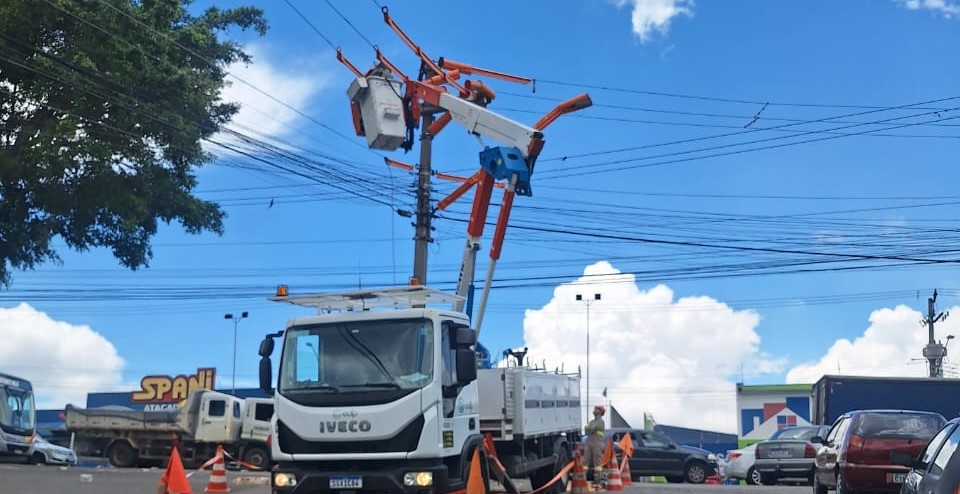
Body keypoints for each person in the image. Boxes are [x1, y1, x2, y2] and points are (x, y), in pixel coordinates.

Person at [583, 405, 606, 481]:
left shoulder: (601, 422)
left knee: (597, 463)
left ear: (600, 412)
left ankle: (597, 479)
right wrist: (589, 428)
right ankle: (583, 479)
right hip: (589, 443)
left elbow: (591, 429)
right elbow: (586, 430)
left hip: (597, 444)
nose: (594, 410)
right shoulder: (592, 422)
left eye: (596, 409)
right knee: (585, 462)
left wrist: (590, 428)